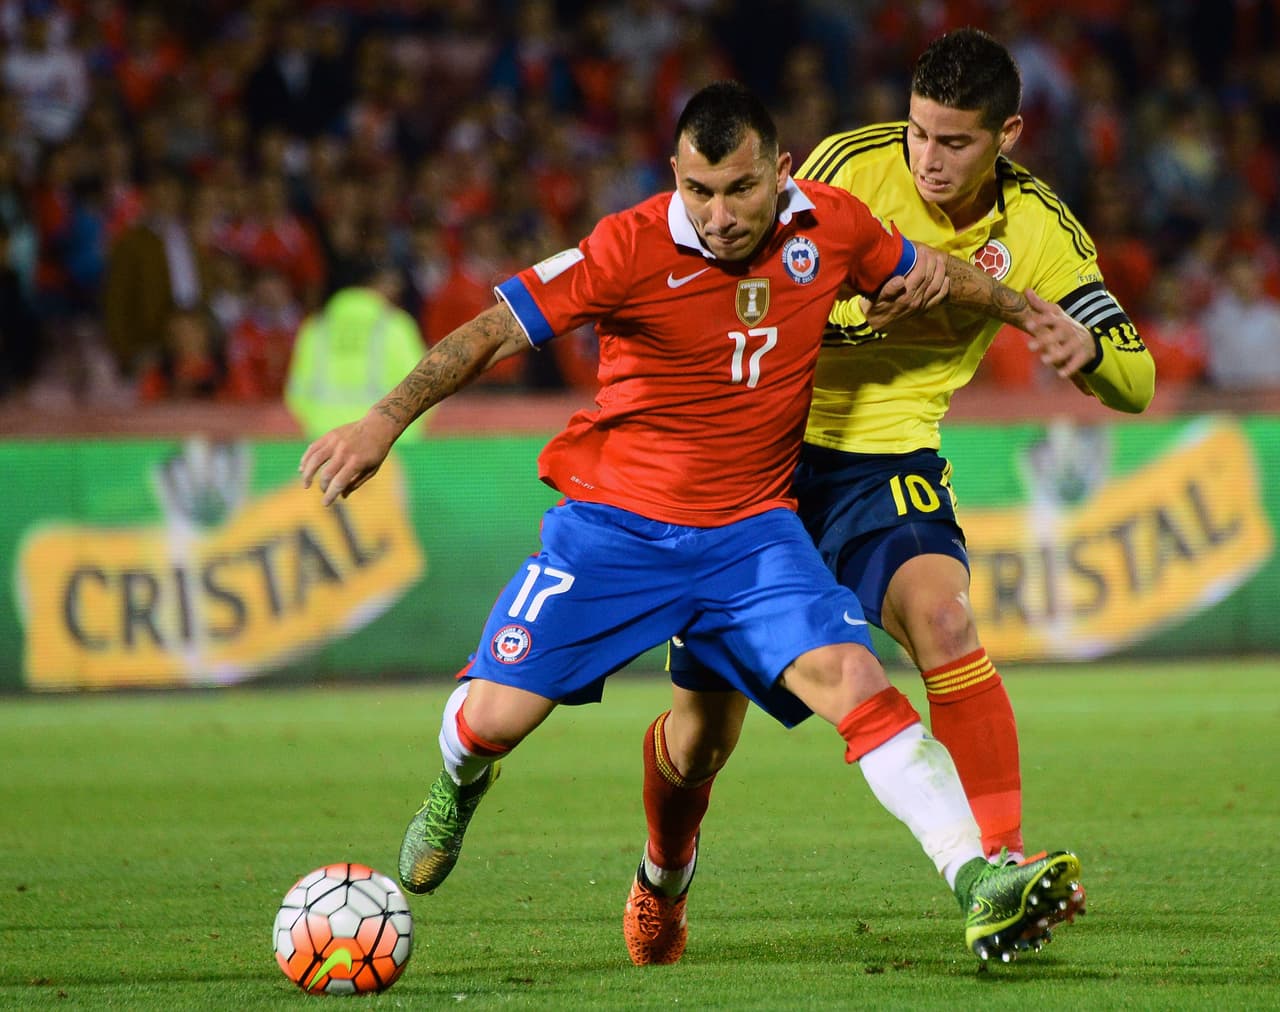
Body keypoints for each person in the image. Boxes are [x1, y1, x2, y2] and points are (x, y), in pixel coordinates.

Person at [299, 81, 1088, 963]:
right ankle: (457, 783)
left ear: (781, 173)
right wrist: (381, 422)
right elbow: (488, 332)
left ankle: (975, 877)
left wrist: (1028, 311)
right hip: (614, 531)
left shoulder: (833, 226)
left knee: (844, 683)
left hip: (753, 536)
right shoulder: (624, 246)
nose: (719, 215)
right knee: (492, 720)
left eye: (742, 189)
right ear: (675, 174)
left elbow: (934, 274)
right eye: (700, 191)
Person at [629, 29, 1153, 967]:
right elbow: (737, 286)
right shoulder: (848, 169)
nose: (929, 158)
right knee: (701, 736)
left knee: (943, 622)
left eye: (955, 141)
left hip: (889, 458)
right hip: (763, 457)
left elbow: (1137, 377)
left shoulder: (1040, 229)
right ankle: (663, 872)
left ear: (1010, 135)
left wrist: (1094, 359)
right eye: (919, 133)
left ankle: (1002, 875)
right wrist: (846, 311)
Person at [284, 255, 429, 439]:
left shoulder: (315, 328)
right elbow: (426, 386)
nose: (396, 292)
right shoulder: (395, 326)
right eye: (391, 284)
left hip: (325, 441)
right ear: (374, 284)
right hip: (388, 442)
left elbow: (296, 394)